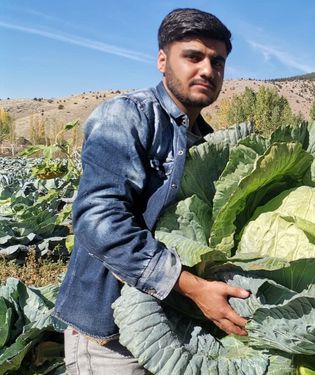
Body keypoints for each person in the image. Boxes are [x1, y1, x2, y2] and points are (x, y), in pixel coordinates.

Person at [54, 8, 249, 374]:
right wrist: (191, 287)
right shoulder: (127, 117)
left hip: (175, 327)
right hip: (109, 335)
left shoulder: (208, 143)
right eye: (193, 56)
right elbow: (98, 220)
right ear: (162, 60)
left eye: (217, 61)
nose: (207, 70)